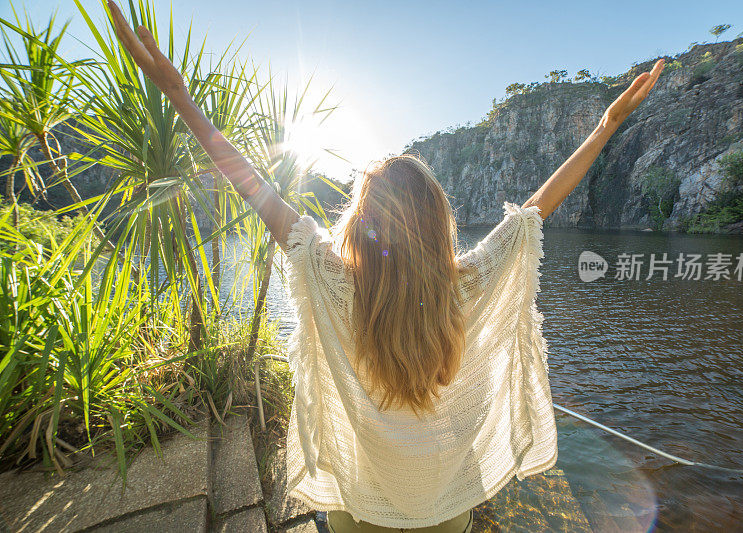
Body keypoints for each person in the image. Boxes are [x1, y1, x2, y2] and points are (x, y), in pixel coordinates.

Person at [106, 2, 664, 531]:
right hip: (447, 516)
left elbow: (252, 185)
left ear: (362, 226)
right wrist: (605, 125)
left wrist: (179, 95)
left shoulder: (336, 284)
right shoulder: (464, 286)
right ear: (436, 220)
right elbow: (539, 207)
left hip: (358, 517)